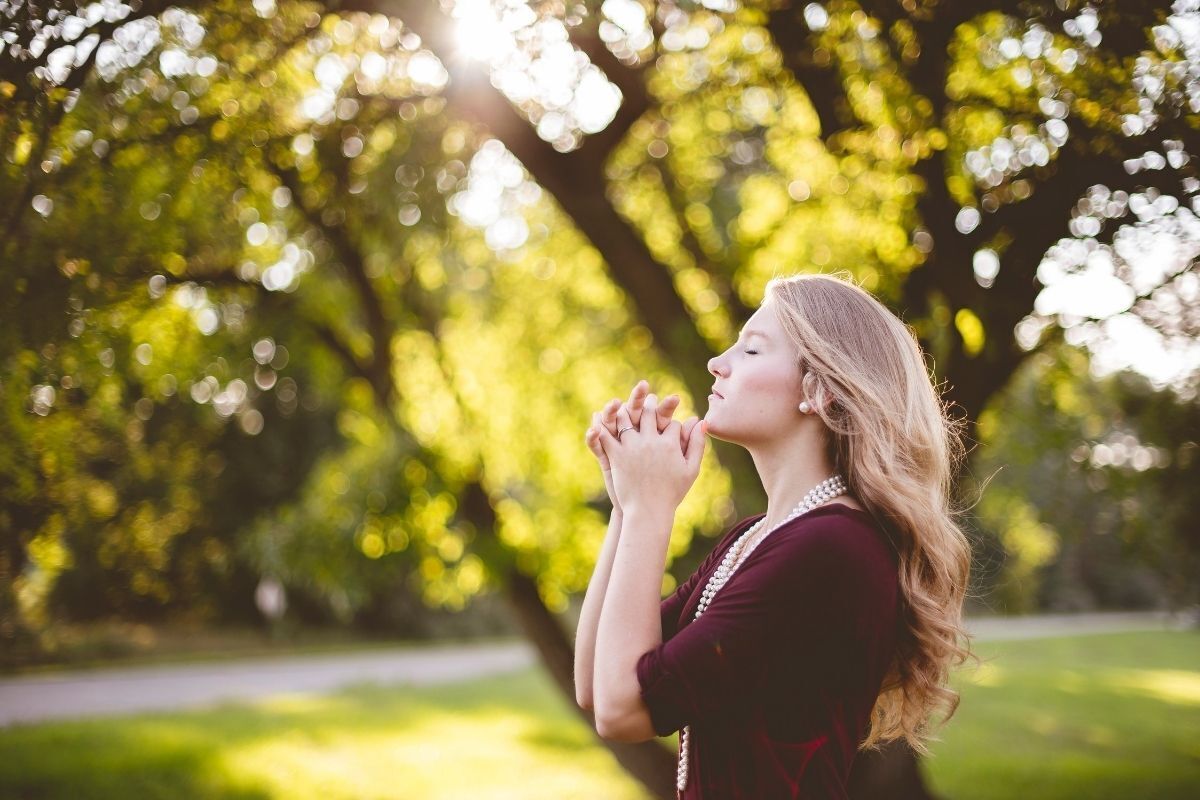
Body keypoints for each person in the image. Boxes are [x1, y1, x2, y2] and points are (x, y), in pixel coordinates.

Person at [573, 272, 976, 799]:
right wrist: (628, 505)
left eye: (752, 350)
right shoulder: (758, 538)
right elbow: (595, 685)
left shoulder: (829, 550)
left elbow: (625, 710)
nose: (718, 361)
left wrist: (651, 506)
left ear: (820, 389)